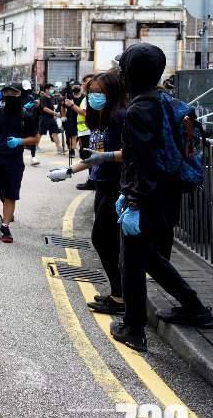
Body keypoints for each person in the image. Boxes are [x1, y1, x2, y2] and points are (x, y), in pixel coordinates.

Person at [101, 44, 212, 352]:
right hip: (169, 194)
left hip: (148, 197)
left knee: (132, 263)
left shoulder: (139, 109)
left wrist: (132, 202)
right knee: (150, 258)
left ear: (129, 73)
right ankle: (194, 307)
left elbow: (141, 160)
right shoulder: (164, 101)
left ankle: (134, 329)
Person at [48, 71, 126, 314]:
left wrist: (106, 158)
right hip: (102, 185)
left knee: (104, 240)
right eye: (91, 93)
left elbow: (134, 151)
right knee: (104, 241)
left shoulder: (121, 118)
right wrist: (69, 170)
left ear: (112, 93)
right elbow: (93, 156)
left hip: (118, 187)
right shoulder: (99, 119)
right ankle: (117, 294)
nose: (93, 97)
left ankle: (121, 297)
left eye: (99, 93)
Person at [0, 84, 40, 243]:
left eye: (12, 92)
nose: (9, 95)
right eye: (6, 92)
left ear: (19, 94)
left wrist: (20, 141)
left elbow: (36, 138)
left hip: (14, 161)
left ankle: (5, 226)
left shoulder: (25, 116)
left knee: (10, 195)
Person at [74, 74, 96, 190]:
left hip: (88, 131)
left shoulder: (92, 97)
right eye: (84, 82)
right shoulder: (86, 97)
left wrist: (72, 105)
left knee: (89, 157)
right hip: (84, 131)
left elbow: (86, 113)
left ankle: (92, 180)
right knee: (86, 156)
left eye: (87, 82)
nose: (84, 85)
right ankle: (91, 179)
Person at [37, 84, 65, 155]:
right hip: (44, 118)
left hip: (51, 118)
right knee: (40, 133)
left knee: (55, 132)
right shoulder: (43, 98)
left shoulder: (52, 97)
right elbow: (44, 108)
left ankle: (59, 148)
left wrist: (56, 113)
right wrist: (55, 113)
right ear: (46, 89)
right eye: (51, 89)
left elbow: (53, 107)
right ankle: (36, 146)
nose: (52, 90)